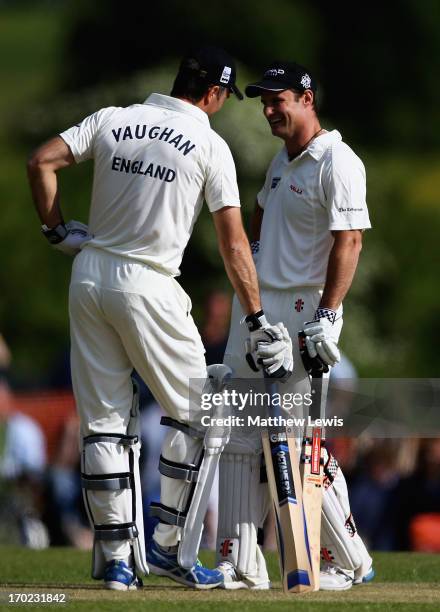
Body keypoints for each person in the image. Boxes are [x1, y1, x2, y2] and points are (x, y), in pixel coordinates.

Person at [26, 46, 292, 591]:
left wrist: (55, 229)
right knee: (201, 413)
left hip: (90, 275)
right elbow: (234, 243)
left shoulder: (114, 119)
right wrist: (258, 314)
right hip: (150, 284)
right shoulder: (210, 146)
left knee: (104, 422)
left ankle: (118, 561)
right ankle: (170, 547)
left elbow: (41, 162)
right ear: (215, 94)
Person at [216, 61, 375, 591]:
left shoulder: (338, 161)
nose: (267, 110)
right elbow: (260, 216)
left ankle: (347, 558)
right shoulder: (281, 164)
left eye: (276, 100)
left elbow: (349, 241)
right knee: (241, 431)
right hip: (262, 309)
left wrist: (329, 317)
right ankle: (242, 560)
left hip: (307, 313)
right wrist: (256, 264)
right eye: (262, 101)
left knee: (298, 440)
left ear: (306, 98)